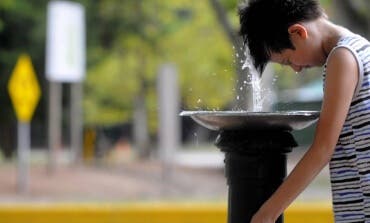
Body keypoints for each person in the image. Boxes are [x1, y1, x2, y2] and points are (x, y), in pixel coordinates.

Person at [238, 0, 370, 222]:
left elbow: (323, 148)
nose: (297, 69)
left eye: (288, 60)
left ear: (298, 32)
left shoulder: (343, 57)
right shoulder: (361, 48)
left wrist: (267, 214)